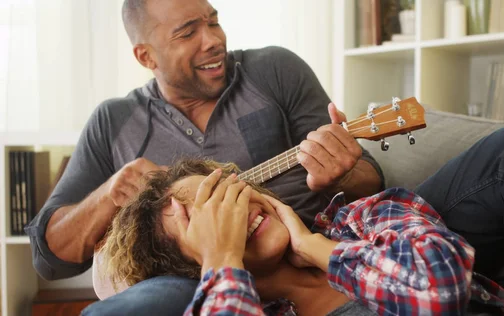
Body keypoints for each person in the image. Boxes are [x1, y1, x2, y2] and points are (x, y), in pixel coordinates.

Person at [25, 0, 383, 314]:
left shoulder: (275, 69)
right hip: (199, 283)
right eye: (187, 33)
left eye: (213, 21)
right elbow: (49, 259)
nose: (213, 40)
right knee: (148, 302)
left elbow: (372, 180)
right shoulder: (113, 121)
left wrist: (343, 176)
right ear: (146, 55)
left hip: (311, 251)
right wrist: (108, 196)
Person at [99, 158, 504, 315]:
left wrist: (317, 247)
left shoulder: (366, 218)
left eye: (226, 192)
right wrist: (223, 260)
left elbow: (441, 289)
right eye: (206, 217)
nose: (234, 210)